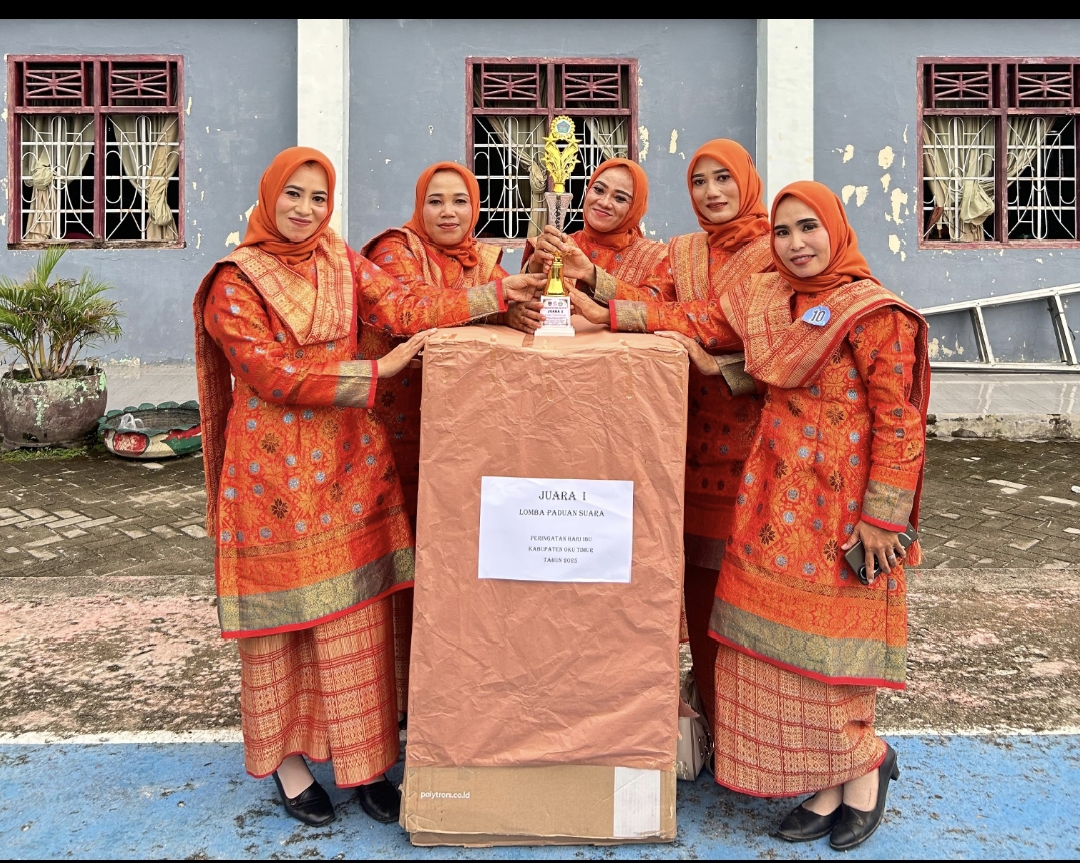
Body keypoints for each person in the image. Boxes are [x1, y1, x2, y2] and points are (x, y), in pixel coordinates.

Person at [572, 180, 929, 851]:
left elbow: (900, 419)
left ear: (835, 230)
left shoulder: (871, 310)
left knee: (835, 642)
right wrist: (602, 297)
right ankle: (830, 780)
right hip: (771, 497)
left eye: (808, 229)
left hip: (843, 506)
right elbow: (695, 320)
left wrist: (883, 515)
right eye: (785, 233)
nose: (795, 245)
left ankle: (867, 765)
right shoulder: (766, 300)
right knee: (775, 652)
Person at [194, 148, 537, 828]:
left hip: (348, 464)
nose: (305, 209)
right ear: (269, 197)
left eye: (319, 198)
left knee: (358, 621)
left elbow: (403, 302)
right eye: (294, 195)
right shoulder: (236, 282)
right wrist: (382, 370)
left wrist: (494, 296)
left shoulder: (341, 259)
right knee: (283, 626)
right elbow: (274, 376)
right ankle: (290, 768)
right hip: (270, 481)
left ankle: (367, 765)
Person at [555, 142, 775, 727]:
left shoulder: (770, 251)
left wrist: (609, 312)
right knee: (695, 587)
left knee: (747, 595)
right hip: (679, 437)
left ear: (748, 183)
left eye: (723, 179)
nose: (711, 192)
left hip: (750, 442)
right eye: (699, 181)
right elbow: (660, 302)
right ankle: (719, 726)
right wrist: (592, 279)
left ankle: (755, 731)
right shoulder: (685, 251)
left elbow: (722, 322)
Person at [360, 162, 546, 717]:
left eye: (460, 202)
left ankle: (451, 693)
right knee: (409, 564)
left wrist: (515, 313)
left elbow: (485, 319)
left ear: (476, 208)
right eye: (436, 201)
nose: (448, 213)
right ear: (420, 205)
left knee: (459, 566)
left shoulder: (481, 260)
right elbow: (408, 312)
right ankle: (399, 702)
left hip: (466, 436)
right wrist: (495, 300)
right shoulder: (395, 250)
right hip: (402, 438)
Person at [521, 158, 671, 313]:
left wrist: (591, 274)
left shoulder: (658, 257)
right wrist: (535, 266)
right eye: (599, 190)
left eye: (620, 198)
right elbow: (523, 307)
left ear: (635, 208)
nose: (604, 202)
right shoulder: (559, 246)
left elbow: (659, 311)